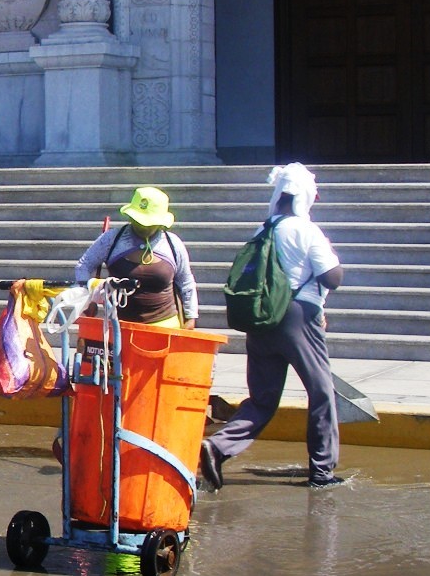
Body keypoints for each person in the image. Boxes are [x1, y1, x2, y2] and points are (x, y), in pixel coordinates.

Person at [200, 163, 346, 491]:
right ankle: (322, 472)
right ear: (304, 197)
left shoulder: (262, 230)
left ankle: (218, 446)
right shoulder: (306, 230)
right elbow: (332, 278)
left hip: (261, 320)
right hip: (298, 318)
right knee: (322, 393)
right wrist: (333, 255)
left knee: (263, 399)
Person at [74, 186, 199, 328]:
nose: (143, 227)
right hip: (118, 327)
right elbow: (83, 265)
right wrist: (87, 298)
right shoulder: (112, 239)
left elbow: (186, 282)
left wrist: (190, 316)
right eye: (138, 221)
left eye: (149, 224)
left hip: (165, 327)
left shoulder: (172, 244)